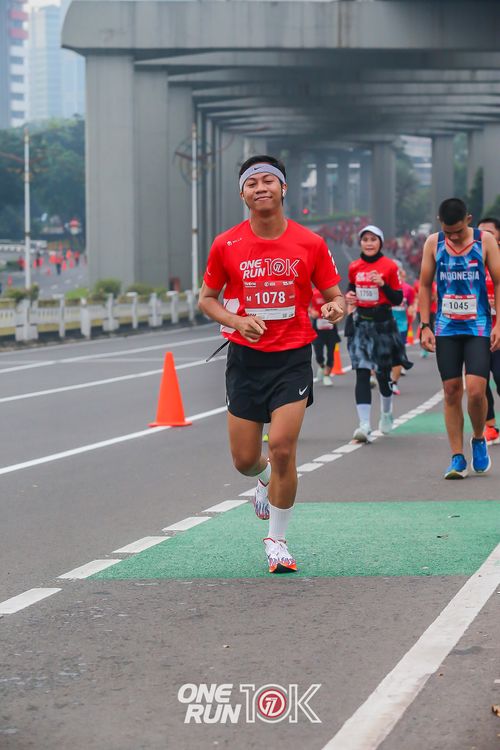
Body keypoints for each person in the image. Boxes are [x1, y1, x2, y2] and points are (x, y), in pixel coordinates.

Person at [198, 155, 345, 574]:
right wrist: (236, 321)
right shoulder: (226, 244)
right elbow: (207, 299)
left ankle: (277, 540)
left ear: (283, 189)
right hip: (245, 361)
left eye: (268, 181)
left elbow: (336, 295)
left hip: (292, 358)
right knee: (245, 459)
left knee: (282, 447)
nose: (261, 188)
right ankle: (261, 478)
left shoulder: (309, 243)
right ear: (242, 194)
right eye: (252, 183)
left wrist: (336, 307)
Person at [419, 198, 500, 479]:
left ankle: (478, 438)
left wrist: (499, 324)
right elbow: (425, 285)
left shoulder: (484, 240)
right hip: (446, 328)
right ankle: (457, 457)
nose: (453, 237)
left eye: (457, 231)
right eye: (447, 231)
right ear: (440, 223)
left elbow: (498, 282)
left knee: (476, 391)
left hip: (478, 326)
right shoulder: (434, 243)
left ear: (468, 219)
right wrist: (425, 325)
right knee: (452, 390)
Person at [345, 225, 412, 443]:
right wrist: (350, 297)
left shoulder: (389, 266)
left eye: (373, 239)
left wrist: (382, 285)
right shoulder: (354, 266)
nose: (369, 243)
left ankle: (386, 412)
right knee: (362, 372)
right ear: (360, 243)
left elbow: (397, 299)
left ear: (380, 242)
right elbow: (351, 288)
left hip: (383, 324)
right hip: (361, 324)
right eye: (365, 239)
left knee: (383, 375)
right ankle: (364, 424)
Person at [478, 217, 500, 445]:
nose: (483, 236)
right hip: (477, 331)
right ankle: (491, 426)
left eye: (490, 232)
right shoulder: (469, 260)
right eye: (480, 232)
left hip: (499, 331)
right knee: (480, 381)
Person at [309, 286, 341, 386]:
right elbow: (304, 304)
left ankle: (327, 375)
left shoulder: (331, 292)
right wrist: (311, 311)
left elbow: (340, 301)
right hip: (318, 328)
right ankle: (321, 366)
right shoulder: (313, 292)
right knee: (318, 353)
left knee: (330, 354)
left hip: (331, 328)